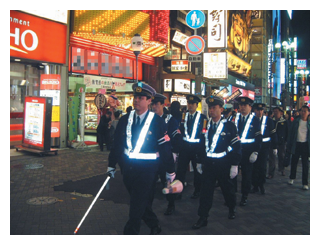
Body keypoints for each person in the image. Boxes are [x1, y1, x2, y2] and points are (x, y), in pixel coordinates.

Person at [107, 83, 176, 235]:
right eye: (135, 97)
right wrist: (111, 164)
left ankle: (131, 232)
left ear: (149, 100)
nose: (136, 100)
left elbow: (165, 149)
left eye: (141, 98)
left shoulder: (157, 121)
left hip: (148, 171)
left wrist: (170, 171)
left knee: (136, 204)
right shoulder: (125, 120)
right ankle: (154, 224)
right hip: (128, 169)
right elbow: (117, 144)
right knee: (141, 202)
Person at [192, 96, 241, 229]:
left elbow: (236, 146)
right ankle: (203, 217)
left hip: (223, 163)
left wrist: (234, 165)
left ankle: (231, 208)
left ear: (221, 109)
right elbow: (201, 144)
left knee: (227, 189)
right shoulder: (205, 125)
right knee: (205, 192)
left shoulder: (229, 126)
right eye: (209, 108)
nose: (211, 110)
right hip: (208, 163)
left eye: (214, 108)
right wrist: (198, 161)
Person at [151, 93, 181, 215]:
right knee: (150, 183)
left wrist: (174, 152)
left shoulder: (170, 119)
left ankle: (171, 204)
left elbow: (176, 136)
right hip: (152, 158)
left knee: (168, 181)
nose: (154, 107)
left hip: (166, 156)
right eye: (152, 104)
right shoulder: (150, 119)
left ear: (162, 105)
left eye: (157, 104)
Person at [176, 95, 208, 199]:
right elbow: (180, 131)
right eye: (189, 103)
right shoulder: (183, 116)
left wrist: (202, 152)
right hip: (185, 148)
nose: (190, 106)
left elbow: (204, 136)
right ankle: (178, 191)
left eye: (192, 104)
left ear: (196, 105)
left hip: (196, 148)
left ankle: (197, 190)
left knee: (197, 171)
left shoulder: (202, 118)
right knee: (180, 170)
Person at [234, 96, 262, 206]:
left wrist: (255, 151)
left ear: (250, 107)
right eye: (241, 105)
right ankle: (232, 195)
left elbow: (258, 137)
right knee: (233, 174)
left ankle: (244, 196)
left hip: (248, 151)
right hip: (236, 150)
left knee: (246, 175)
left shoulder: (255, 120)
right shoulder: (235, 118)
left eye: (245, 105)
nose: (243, 107)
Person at [251, 103, 278, 194]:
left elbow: (273, 134)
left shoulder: (269, 120)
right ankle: (255, 185)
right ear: (254, 110)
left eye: (261, 110)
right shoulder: (251, 120)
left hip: (264, 147)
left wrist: (274, 147)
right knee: (254, 167)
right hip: (254, 147)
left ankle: (261, 184)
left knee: (262, 167)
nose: (259, 112)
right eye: (258, 110)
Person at [287, 105, 310, 190]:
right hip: (296, 144)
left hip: (305, 145)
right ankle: (292, 177)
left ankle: (305, 183)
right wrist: (289, 145)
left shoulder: (310, 123)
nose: (303, 113)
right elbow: (291, 134)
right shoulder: (296, 122)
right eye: (302, 111)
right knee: (294, 162)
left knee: (305, 165)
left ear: (308, 113)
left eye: (305, 111)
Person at [267, 107, 288, 178]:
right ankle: (271, 172)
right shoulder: (271, 121)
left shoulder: (284, 122)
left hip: (281, 142)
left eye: (277, 111)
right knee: (271, 158)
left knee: (281, 156)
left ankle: (282, 169)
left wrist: (285, 140)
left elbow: (287, 132)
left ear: (280, 112)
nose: (275, 113)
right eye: (274, 111)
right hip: (272, 142)